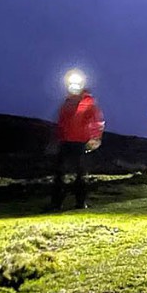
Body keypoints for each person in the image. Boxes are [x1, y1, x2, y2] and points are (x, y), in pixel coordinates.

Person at [53, 71, 104, 210]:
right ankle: (56, 203)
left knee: (80, 174)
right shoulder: (67, 102)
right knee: (60, 173)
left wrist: (95, 138)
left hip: (81, 142)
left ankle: (80, 203)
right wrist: (57, 138)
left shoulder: (89, 103)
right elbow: (62, 122)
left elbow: (97, 121)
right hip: (65, 141)